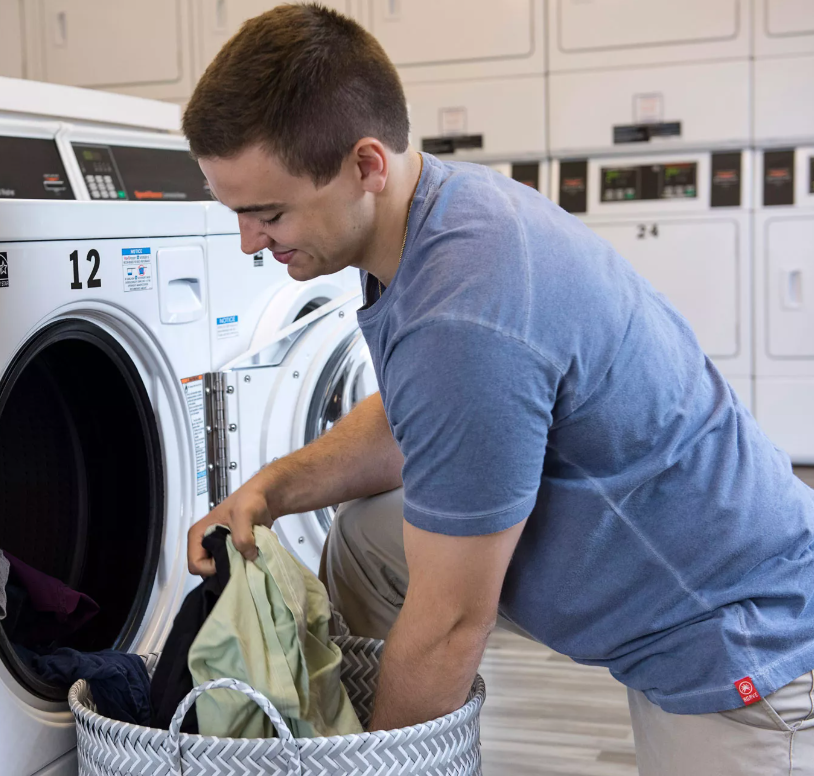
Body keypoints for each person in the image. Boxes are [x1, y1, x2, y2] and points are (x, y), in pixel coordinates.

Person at [182, 4, 814, 772]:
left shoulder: (464, 310)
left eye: (269, 213)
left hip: (738, 646)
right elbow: (425, 419)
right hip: (673, 568)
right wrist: (272, 489)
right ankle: (358, 721)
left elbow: (452, 626)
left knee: (437, 622)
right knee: (372, 538)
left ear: (366, 166)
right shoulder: (434, 216)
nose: (249, 242)